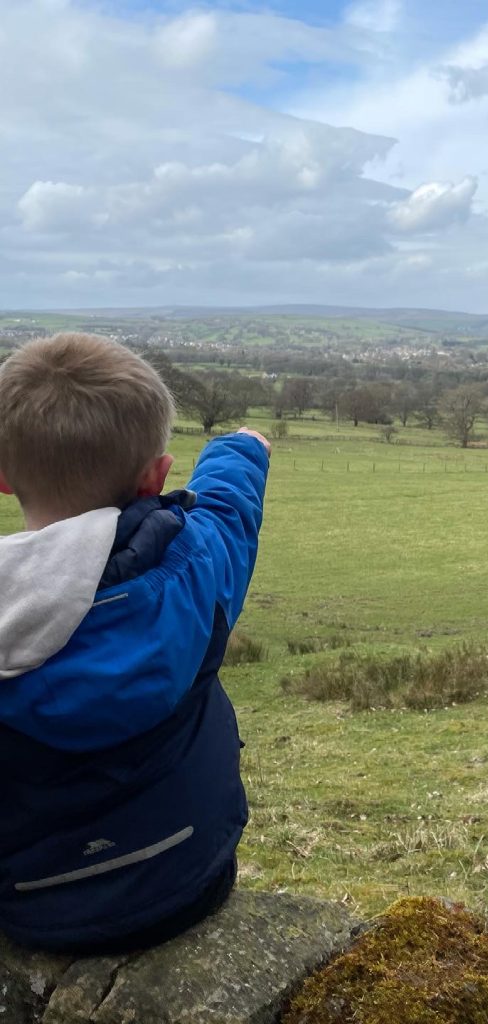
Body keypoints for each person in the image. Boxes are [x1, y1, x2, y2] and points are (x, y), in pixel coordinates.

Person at [0, 332, 270, 953]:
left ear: (4, 476)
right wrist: (241, 447)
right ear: (156, 478)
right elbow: (228, 508)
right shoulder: (196, 567)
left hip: (29, 906)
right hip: (191, 881)